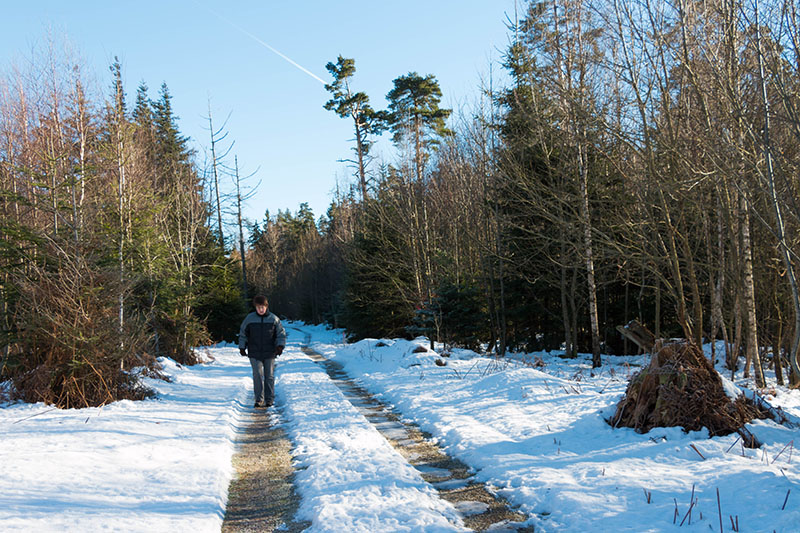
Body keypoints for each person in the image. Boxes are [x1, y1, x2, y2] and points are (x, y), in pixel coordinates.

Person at [238, 295, 286, 408]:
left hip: (270, 352)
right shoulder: (249, 319)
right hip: (254, 352)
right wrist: (242, 347)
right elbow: (243, 334)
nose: (261, 309)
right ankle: (259, 400)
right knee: (257, 375)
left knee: (269, 376)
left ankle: (269, 399)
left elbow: (281, 334)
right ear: (255, 307)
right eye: (258, 307)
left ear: (266, 306)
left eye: (263, 307)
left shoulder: (274, 319)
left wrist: (280, 346)